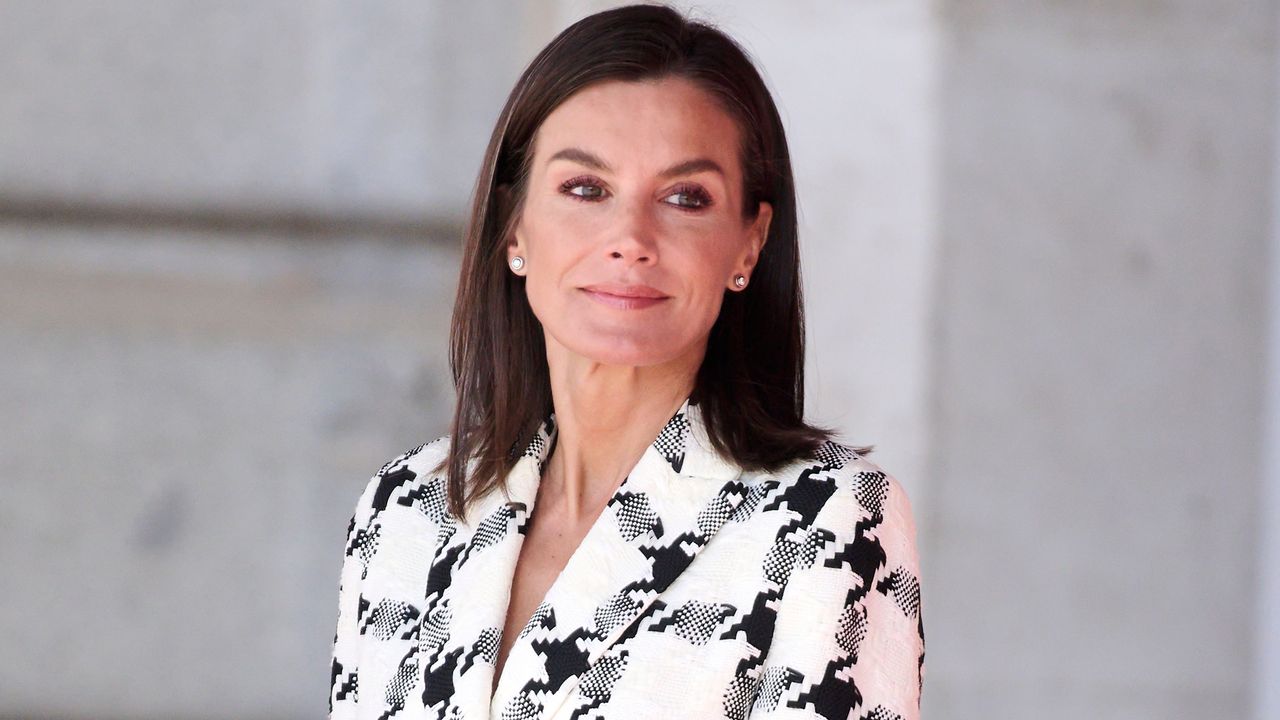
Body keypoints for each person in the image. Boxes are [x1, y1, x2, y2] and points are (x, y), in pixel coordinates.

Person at [328, 4, 925, 719]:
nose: (630, 239)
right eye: (585, 189)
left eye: (684, 198)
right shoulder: (405, 509)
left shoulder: (823, 521)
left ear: (748, 244)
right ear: (513, 223)